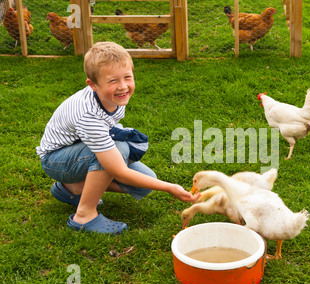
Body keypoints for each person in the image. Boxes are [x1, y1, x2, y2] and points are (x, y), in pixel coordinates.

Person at [36, 41, 199, 234]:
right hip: (55, 160)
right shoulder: (88, 114)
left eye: (127, 77)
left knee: (145, 183)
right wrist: (170, 188)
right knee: (119, 148)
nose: (123, 86)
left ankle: (73, 188)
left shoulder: (113, 97)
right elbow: (119, 171)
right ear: (93, 85)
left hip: (78, 151)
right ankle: (84, 215)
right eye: (113, 81)